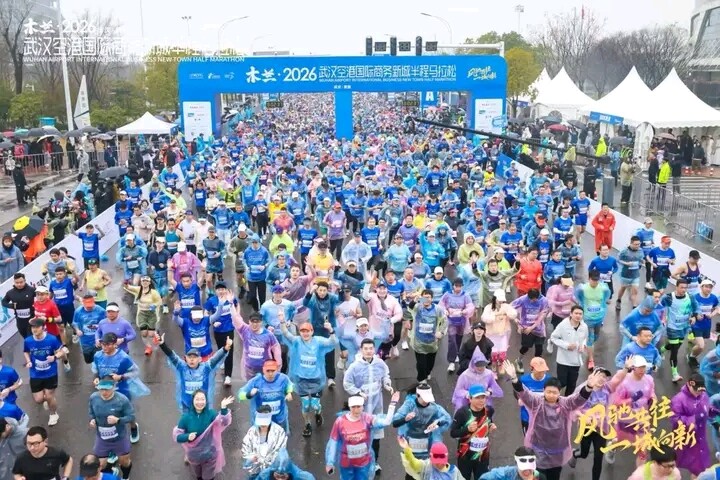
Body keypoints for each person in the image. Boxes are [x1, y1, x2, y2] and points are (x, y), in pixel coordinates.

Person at [502, 359, 604, 480]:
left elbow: (578, 399)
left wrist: (589, 387)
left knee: (554, 476)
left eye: (554, 392)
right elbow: (524, 394)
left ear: (559, 392)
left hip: (557, 452)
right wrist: (514, 378)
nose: (551, 395)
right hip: (538, 450)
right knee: (538, 477)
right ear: (543, 391)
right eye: (548, 392)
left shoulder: (566, 404)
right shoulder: (536, 402)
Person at [279, 315, 338, 437]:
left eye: (307, 331)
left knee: (315, 405)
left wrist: (331, 330)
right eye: (302, 331)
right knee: (306, 406)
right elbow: (285, 333)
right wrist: (282, 321)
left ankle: (318, 413)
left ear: (312, 332)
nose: (305, 334)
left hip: (316, 380)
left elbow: (333, 342)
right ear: (300, 332)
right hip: (301, 380)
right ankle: (307, 424)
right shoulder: (296, 341)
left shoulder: (318, 342)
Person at [342, 339, 393, 473]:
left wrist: (387, 384)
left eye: (371, 348)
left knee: (376, 435)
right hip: (361, 408)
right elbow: (347, 383)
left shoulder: (379, 363)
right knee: (361, 436)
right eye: (366, 349)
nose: (369, 351)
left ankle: (375, 462)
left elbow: (385, 375)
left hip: (376, 406)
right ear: (361, 350)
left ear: (374, 349)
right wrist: (358, 392)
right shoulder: (355, 366)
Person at [324, 392, 399, 479]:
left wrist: (392, 404)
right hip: (346, 463)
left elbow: (386, 421)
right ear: (349, 407)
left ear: (363, 407)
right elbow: (333, 442)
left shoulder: (367, 418)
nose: (356, 410)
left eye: (358, 406)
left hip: (363, 463)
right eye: (353, 407)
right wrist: (330, 462)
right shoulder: (340, 422)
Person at [156, 332, 230, 412]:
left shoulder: (206, 368)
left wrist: (225, 348)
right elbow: (172, 356)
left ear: (200, 359)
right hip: (187, 406)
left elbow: (216, 358)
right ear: (185, 358)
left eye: (195, 357)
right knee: (187, 420)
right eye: (189, 357)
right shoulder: (182, 367)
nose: (192, 359)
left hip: (202, 405)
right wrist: (162, 345)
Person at [392, 383, 452, 478]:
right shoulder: (409, 405)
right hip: (411, 447)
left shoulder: (433, 407)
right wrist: (405, 419)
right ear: (417, 395)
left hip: (427, 449)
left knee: (426, 473)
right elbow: (395, 423)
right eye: (424, 399)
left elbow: (447, 418)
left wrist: (437, 422)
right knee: (412, 473)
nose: (426, 402)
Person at [173, 391, 234, 480]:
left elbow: (224, 422)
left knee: (208, 477)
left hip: (210, 454)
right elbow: (177, 436)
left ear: (206, 400)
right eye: (197, 399)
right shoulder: (186, 418)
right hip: (194, 456)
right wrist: (187, 437)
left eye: (202, 399)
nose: (200, 402)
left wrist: (223, 408)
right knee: (198, 476)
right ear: (192, 401)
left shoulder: (211, 414)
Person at [88, 377, 134, 479]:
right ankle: (111, 471)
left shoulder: (122, 400)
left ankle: (125, 477)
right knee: (100, 464)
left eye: (107, 389)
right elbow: (91, 411)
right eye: (101, 389)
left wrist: (118, 420)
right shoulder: (93, 398)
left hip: (119, 438)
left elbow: (131, 416)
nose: (104, 392)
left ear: (114, 387)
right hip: (102, 438)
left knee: (124, 462)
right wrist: (92, 420)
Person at [24, 317, 66, 426]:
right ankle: (48, 401)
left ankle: (53, 414)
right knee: (38, 400)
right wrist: (28, 361)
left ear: (43, 327)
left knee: (49, 396)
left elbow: (62, 351)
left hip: (50, 373)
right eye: (33, 327)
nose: (34, 329)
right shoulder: (28, 341)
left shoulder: (51, 339)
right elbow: (26, 352)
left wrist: (55, 357)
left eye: (37, 327)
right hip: (35, 374)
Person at [450, 385, 497, 480]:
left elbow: (488, 422)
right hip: (465, 456)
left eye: (483, 397)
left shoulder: (489, 410)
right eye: (477, 398)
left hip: (483, 455)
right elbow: (453, 433)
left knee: (483, 478)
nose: (481, 401)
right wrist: (467, 429)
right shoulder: (462, 413)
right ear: (470, 399)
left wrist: (490, 427)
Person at [670, 373, 711, 478]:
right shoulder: (678, 400)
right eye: (696, 390)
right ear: (689, 384)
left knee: (702, 468)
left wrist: (713, 412)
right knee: (696, 468)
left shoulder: (703, 395)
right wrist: (694, 419)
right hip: (687, 439)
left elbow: (707, 408)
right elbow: (675, 420)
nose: (699, 392)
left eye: (701, 390)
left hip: (701, 438)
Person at [237, 359, 293, 431]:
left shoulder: (283, 378)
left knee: (281, 437)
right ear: (263, 370)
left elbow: (289, 385)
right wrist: (249, 394)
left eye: (273, 371)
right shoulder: (256, 381)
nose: (270, 373)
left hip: (279, 420)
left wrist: (289, 392)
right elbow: (240, 395)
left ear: (277, 370)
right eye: (268, 371)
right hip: (261, 421)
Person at [549, 305, 588, 394]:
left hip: (576, 361)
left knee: (572, 384)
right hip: (563, 360)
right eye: (576, 313)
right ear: (571, 314)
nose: (578, 316)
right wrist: (566, 345)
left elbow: (585, 338)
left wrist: (583, 345)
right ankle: (556, 397)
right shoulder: (563, 325)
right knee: (562, 382)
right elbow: (553, 337)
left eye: (580, 314)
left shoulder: (584, 327)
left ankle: (568, 401)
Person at [241, 405, 288, 479]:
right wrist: (251, 458)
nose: (263, 425)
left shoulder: (279, 431)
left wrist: (269, 463)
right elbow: (245, 450)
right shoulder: (251, 432)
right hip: (255, 471)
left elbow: (281, 451)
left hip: (272, 472)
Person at [397, 438, 464, 480]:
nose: (439, 464)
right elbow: (414, 464)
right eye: (436, 462)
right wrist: (407, 449)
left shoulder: (454, 472)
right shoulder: (427, 467)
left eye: (441, 462)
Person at [478, 446, 546, 480]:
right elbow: (485, 477)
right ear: (516, 463)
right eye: (524, 468)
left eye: (530, 468)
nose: (527, 471)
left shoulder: (540, 477)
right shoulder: (508, 473)